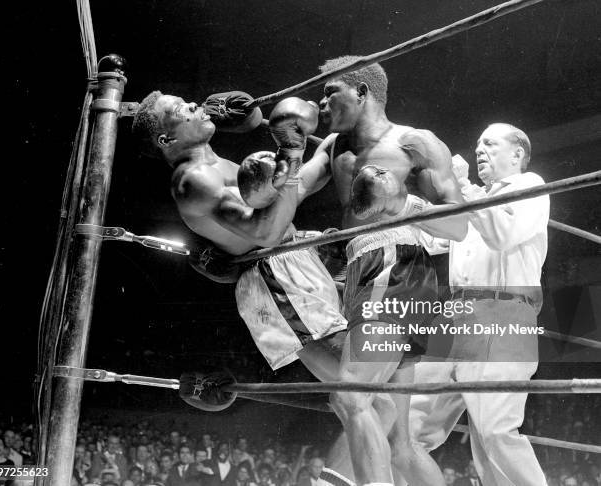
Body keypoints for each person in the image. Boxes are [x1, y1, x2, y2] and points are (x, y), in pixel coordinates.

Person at [300, 55, 467, 486]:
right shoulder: (333, 148)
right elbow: (293, 189)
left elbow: (460, 225)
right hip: (366, 272)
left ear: (361, 91)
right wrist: (284, 146)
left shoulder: (415, 144)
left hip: (396, 267)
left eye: (329, 91)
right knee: (399, 443)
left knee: (351, 397)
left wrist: (402, 205)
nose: (321, 103)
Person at [132, 92, 347, 376]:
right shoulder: (194, 180)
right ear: (166, 140)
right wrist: (291, 150)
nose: (194, 104)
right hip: (277, 276)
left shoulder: (217, 166)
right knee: (363, 378)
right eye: (180, 109)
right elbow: (265, 232)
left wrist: (323, 149)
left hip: (296, 255)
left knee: (381, 369)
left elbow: (293, 193)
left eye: (188, 100)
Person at [409, 123, 550, 486]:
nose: (479, 150)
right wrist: (406, 199)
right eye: (477, 144)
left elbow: (503, 235)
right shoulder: (474, 199)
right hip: (454, 316)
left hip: (502, 312)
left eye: (490, 143)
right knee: (406, 424)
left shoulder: (529, 186)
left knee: (494, 432)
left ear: (517, 153)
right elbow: (433, 239)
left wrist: (465, 188)